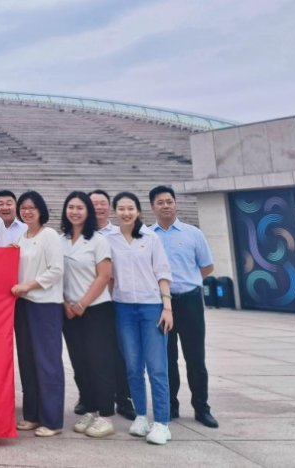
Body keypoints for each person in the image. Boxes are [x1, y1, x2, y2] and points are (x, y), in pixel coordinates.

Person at [107, 192, 174, 445]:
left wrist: (167, 307)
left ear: (138, 211)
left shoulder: (151, 237)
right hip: (123, 308)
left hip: (151, 308)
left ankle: (162, 423)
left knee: (157, 367)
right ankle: (141, 417)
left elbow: (163, 272)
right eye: (121, 208)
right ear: (115, 211)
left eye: (130, 208)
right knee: (133, 367)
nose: (126, 213)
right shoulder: (109, 240)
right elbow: (109, 277)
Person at [149, 185, 218, 428]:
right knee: (166, 358)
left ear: (176, 204)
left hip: (190, 301)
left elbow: (207, 266)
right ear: (152, 207)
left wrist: (189, 281)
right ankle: (170, 405)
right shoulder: (147, 236)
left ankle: (201, 408)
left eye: (169, 201)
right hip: (160, 304)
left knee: (195, 357)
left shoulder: (193, 234)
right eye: (160, 202)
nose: (166, 206)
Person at [59, 191, 117, 438]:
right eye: (71, 207)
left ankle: (106, 415)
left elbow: (104, 276)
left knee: (99, 362)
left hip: (95, 309)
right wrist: (66, 304)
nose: (75, 212)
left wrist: (82, 304)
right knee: (79, 362)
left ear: (88, 212)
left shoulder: (98, 240)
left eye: (80, 208)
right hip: (69, 311)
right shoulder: (60, 240)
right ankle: (91, 410)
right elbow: (55, 274)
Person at [10, 191, 65, 437]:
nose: (27, 211)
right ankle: (32, 415)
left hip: (44, 305)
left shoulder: (49, 235)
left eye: (32, 207)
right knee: (28, 362)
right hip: (23, 305)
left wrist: (28, 286)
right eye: (23, 207)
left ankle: (52, 421)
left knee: (47, 363)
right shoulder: (21, 237)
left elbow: (56, 270)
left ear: (41, 210)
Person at [85, 189, 135, 421]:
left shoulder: (120, 234)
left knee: (119, 353)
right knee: (90, 352)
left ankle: (124, 398)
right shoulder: (80, 234)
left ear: (110, 207)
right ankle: (89, 397)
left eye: (102, 203)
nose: (98, 207)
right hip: (89, 303)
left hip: (116, 301)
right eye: (93, 203)